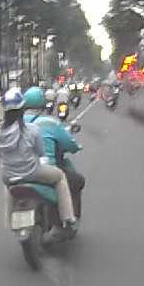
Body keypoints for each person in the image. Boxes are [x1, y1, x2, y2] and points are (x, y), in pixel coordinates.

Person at [0, 87, 77, 232]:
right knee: (60, 177)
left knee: (8, 186)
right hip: (32, 172)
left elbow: (0, 154)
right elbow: (41, 153)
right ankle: (67, 218)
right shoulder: (32, 129)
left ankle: (8, 221)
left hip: (8, 175)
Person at [22, 86, 85, 218]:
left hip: (18, 171)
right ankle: (68, 218)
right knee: (76, 181)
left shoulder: (13, 124)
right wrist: (76, 147)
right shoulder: (49, 122)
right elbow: (70, 144)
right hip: (43, 170)